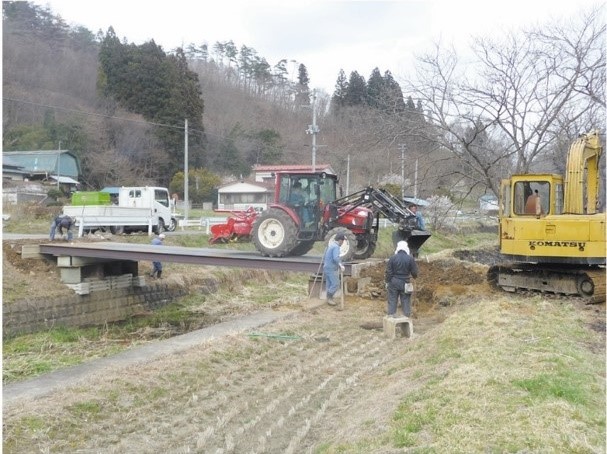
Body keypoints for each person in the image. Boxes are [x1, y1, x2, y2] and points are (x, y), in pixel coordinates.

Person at [385, 240, 419, 318]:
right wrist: (414, 277)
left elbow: (388, 272)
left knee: (392, 300)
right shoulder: (410, 258)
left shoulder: (392, 258)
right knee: (406, 300)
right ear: (406, 248)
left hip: (393, 282)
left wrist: (387, 282)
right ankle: (406, 319)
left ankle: (391, 317)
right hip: (405, 282)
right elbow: (414, 272)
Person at [323, 232, 346, 306]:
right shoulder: (336, 247)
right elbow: (336, 258)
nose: (343, 243)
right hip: (331, 268)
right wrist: (340, 265)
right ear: (340, 240)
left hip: (327, 267)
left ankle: (329, 299)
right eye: (343, 241)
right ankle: (329, 298)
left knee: (329, 284)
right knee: (336, 284)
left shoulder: (331, 245)